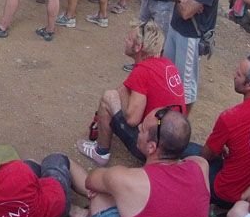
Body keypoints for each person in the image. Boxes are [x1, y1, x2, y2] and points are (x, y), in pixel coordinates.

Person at [86, 108, 210, 217]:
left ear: (151, 147)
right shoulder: (201, 166)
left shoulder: (129, 180)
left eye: (143, 129)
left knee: (100, 196)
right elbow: (191, 160)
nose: (138, 128)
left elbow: (91, 181)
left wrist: (113, 190)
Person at [77, 23, 186, 165]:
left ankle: (101, 152)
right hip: (171, 142)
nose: (125, 40)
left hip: (154, 150)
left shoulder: (142, 71)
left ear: (138, 47)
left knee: (108, 97)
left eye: (129, 39)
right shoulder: (166, 63)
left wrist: (115, 101)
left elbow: (132, 119)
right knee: (116, 96)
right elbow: (127, 89)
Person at [202, 53, 250, 210]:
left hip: (227, 193)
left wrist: (219, 149)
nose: (234, 75)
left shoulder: (230, 117)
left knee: (186, 152)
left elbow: (206, 155)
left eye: (238, 74)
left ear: (249, 86)